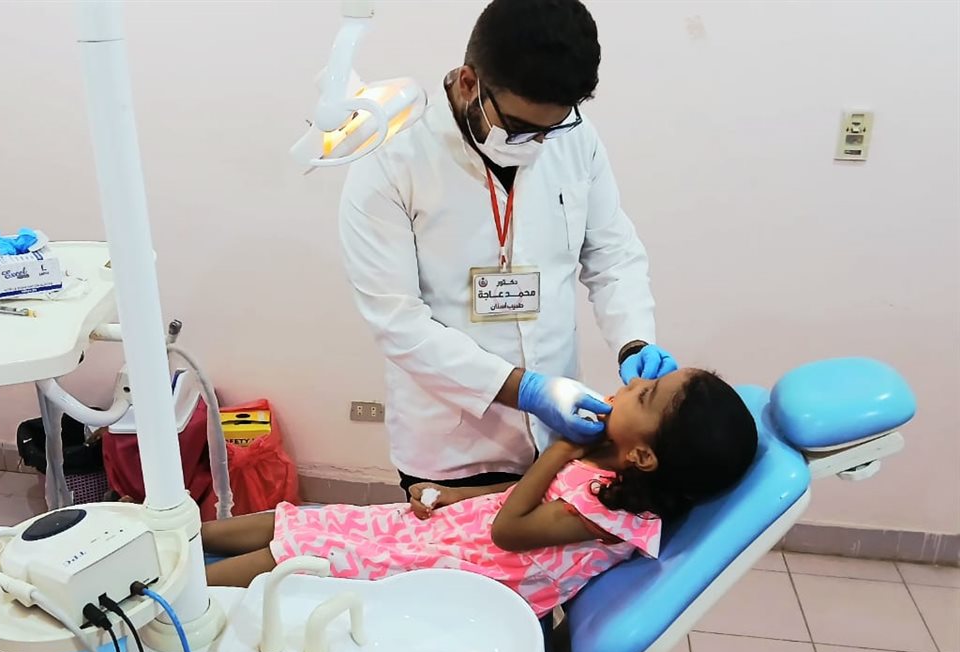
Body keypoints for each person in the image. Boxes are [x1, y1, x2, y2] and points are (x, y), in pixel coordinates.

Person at [338, 0, 677, 497]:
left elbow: (611, 254)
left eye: (552, 128)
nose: (538, 143)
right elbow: (397, 322)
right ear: (469, 83)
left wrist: (634, 341)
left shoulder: (576, 139)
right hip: (453, 446)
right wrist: (527, 389)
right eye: (520, 127)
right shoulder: (391, 158)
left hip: (559, 439)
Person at [201, 370, 758, 618]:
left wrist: (562, 448)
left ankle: (177, 591)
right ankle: (178, 535)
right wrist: (450, 497)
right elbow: (516, 495)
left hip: (473, 575)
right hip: (459, 533)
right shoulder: (606, 463)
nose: (632, 383)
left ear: (644, 456)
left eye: (647, 393)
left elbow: (509, 531)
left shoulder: (610, 514)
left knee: (307, 553)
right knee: (309, 518)